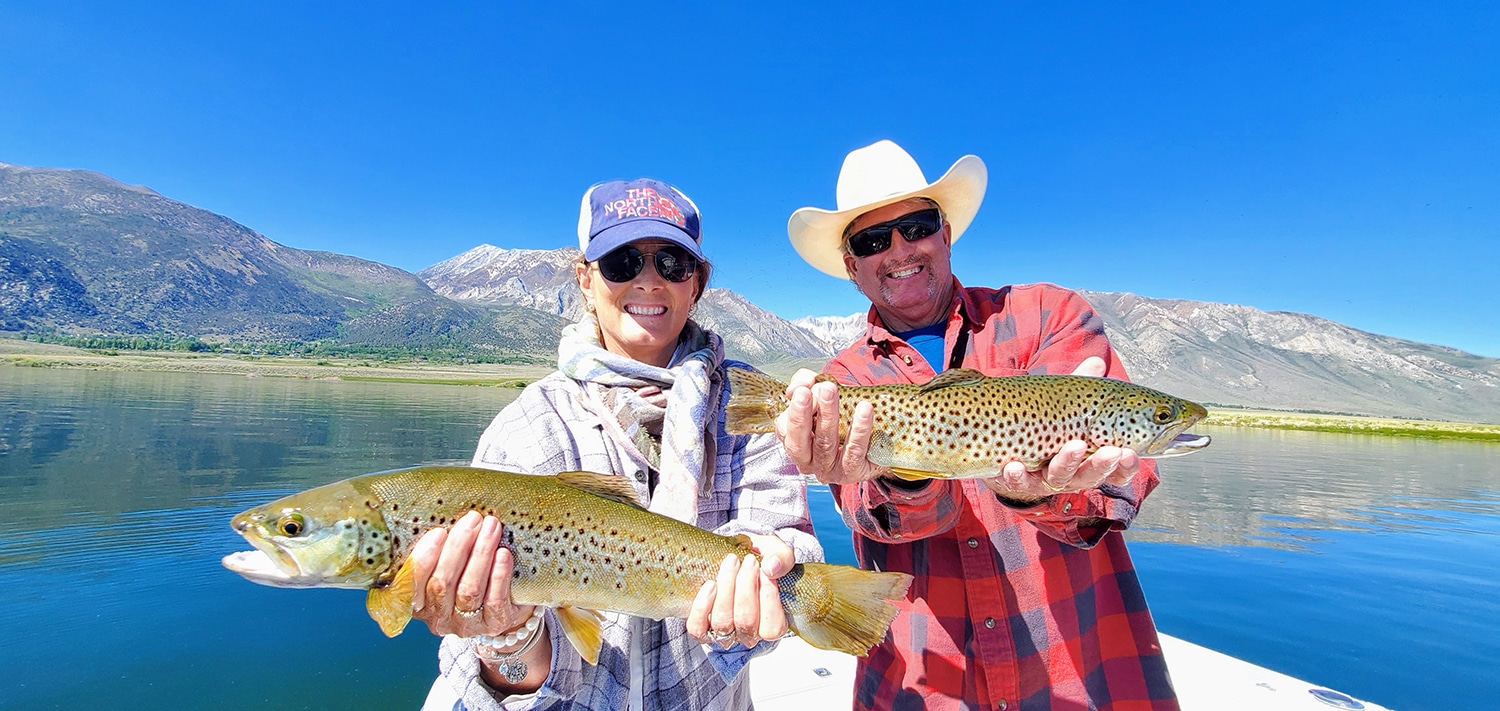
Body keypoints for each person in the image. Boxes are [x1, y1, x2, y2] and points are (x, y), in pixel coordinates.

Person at [777, 140, 1178, 711]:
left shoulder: (1048, 316)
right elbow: (876, 518)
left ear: (945, 232)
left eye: (915, 226)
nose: (898, 249)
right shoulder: (840, 381)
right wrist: (907, 475)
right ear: (851, 266)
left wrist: (1051, 493)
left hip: (1083, 676)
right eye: (871, 240)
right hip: (921, 683)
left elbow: (1121, 487)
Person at [411, 178, 821, 711]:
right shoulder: (527, 428)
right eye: (622, 262)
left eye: (671, 263)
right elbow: (503, 677)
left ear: (696, 283)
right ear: (585, 280)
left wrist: (773, 573)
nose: (649, 281)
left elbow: (788, 538)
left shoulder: (752, 407)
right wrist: (506, 638)